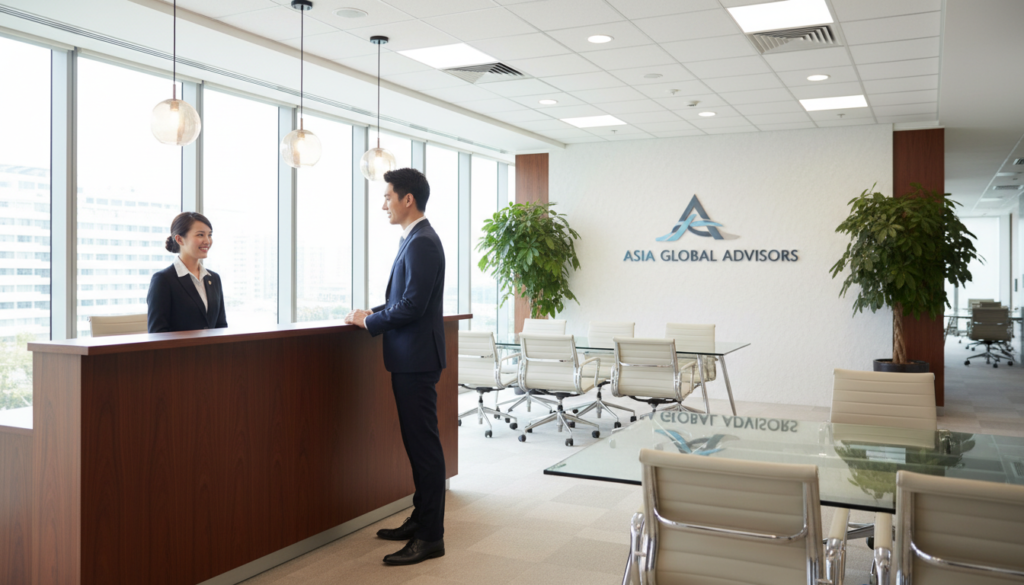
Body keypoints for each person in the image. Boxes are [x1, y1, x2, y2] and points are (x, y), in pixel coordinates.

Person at [345, 168, 447, 566]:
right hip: (413, 358)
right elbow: (404, 299)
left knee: (424, 448)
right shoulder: (415, 239)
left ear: (408, 199)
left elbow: (413, 306)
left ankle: (430, 536)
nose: (383, 203)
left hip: (417, 360)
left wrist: (369, 322)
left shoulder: (422, 242)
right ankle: (421, 518)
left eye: (388, 196)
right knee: (417, 444)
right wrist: (374, 311)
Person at [147, 211, 227, 333]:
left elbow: (221, 326)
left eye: (209, 235)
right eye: (200, 235)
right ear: (179, 239)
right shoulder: (163, 280)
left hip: (211, 352)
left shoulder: (214, 278)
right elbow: (158, 333)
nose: (207, 241)